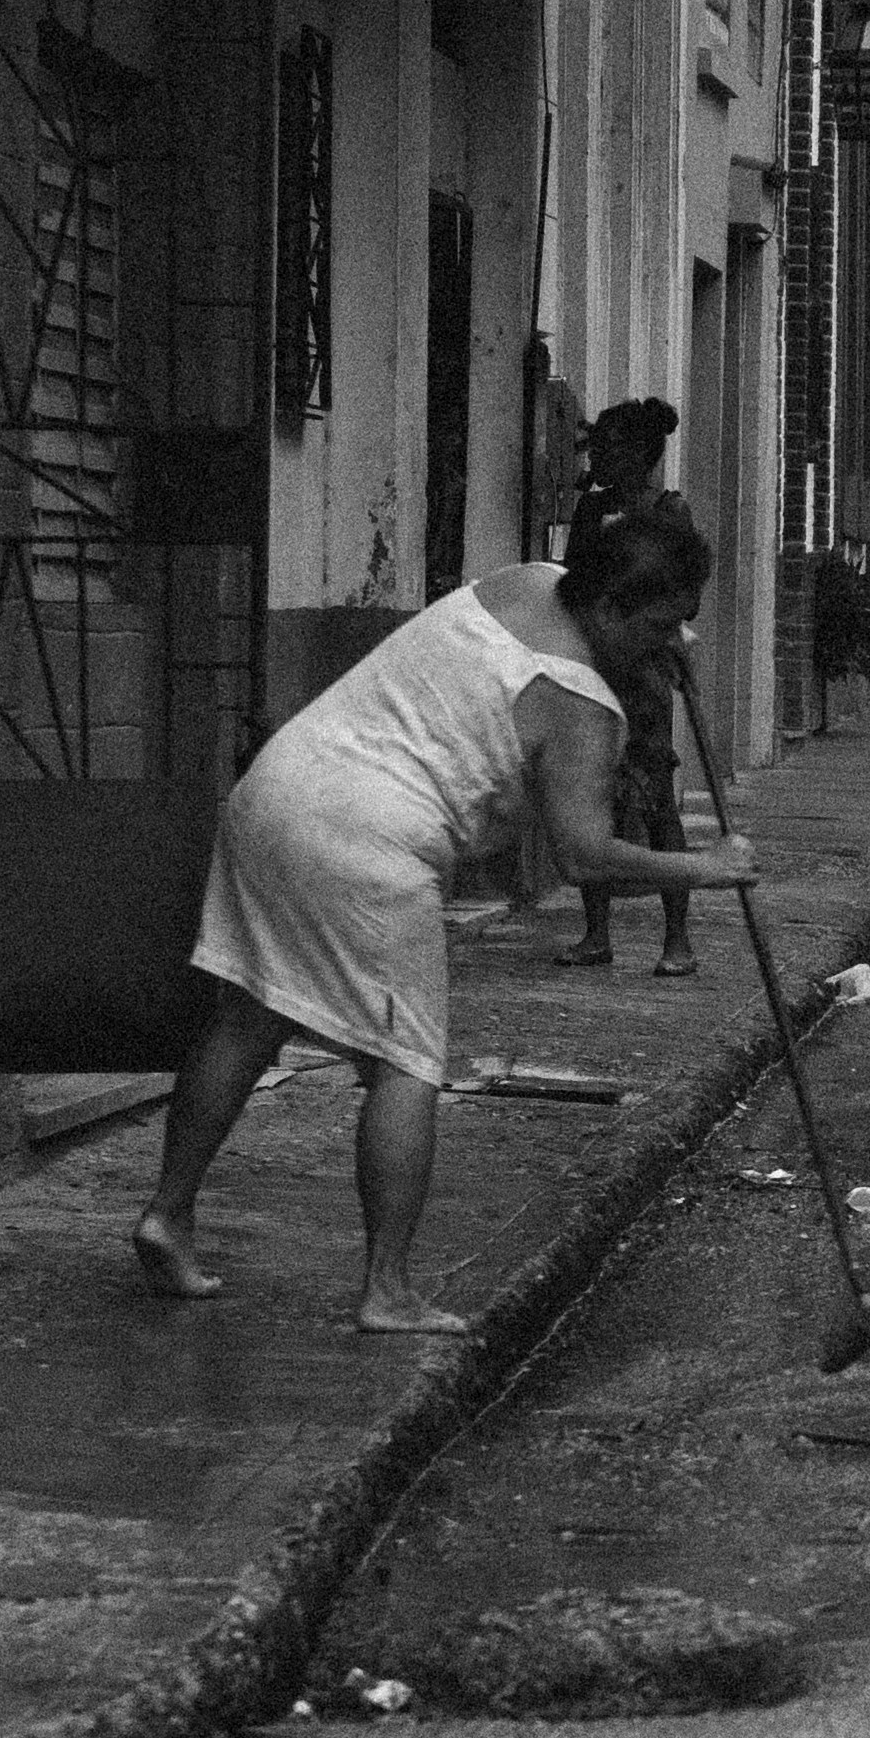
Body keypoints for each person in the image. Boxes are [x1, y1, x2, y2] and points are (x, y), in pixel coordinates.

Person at [136, 538, 749, 1326]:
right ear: (605, 608)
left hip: (280, 789)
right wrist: (706, 869)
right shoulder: (580, 707)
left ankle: (168, 1214)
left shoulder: (528, 582)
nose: (675, 643)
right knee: (406, 1062)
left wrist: (655, 643)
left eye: (684, 626)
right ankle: (386, 1291)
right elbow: (587, 858)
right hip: (368, 840)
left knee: (251, 1013)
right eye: (663, 625)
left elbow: (555, 655)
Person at [556, 400, 711, 978]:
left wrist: (648, 625)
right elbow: (570, 585)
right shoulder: (590, 512)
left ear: (641, 455)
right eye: (595, 446)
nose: (597, 456)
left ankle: (678, 939)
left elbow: (685, 591)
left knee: (657, 800)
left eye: (610, 448)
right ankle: (596, 932)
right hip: (593, 668)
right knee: (594, 795)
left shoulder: (669, 511)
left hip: (643, 673)